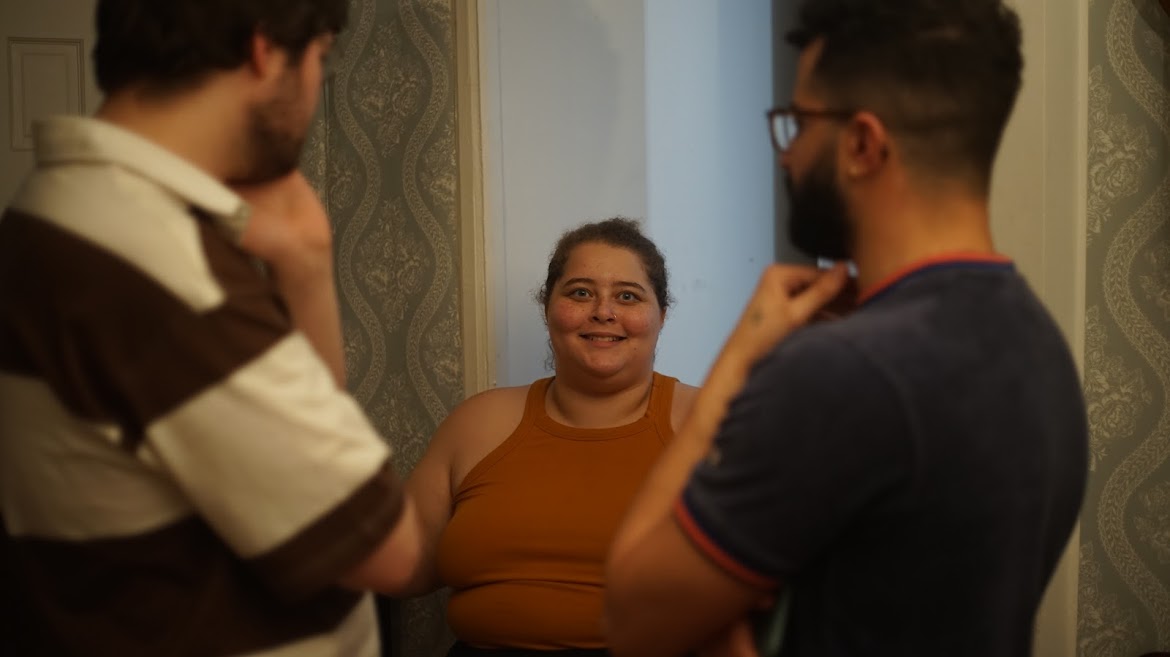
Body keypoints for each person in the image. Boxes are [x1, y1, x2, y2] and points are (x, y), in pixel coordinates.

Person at [604, 1, 1089, 656]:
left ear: (862, 145)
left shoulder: (840, 370)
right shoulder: (1039, 344)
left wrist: (738, 362)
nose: (787, 154)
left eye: (799, 124)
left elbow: (632, 616)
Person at [0, 1, 429, 654]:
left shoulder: (55, 211)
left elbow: (306, 460)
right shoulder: (163, 271)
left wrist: (305, 263)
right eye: (320, 56)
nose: (318, 85)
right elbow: (387, 551)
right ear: (264, 50)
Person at [397, 218, 698, 656]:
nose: (603, 312)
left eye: (628, 296)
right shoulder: (477, 422)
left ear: (661, 316)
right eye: (580, 292)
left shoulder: (713, 422)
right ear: (547, 307)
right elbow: (403, 565)